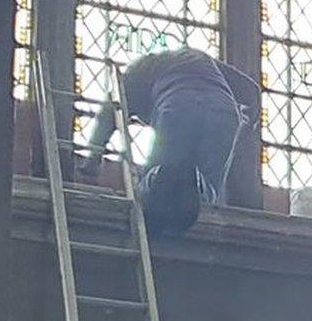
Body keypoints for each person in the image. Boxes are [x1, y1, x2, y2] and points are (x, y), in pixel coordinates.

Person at [81, 47, 254, 237]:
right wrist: (248, 125)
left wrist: (92, 160)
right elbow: (252, 90)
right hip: (225, 113)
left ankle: (162, 181)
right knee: (210, 191)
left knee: (158, 180)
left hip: (178, 104)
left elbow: (109, 110)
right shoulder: (198, 58)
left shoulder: (135, 72)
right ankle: (193, 184)